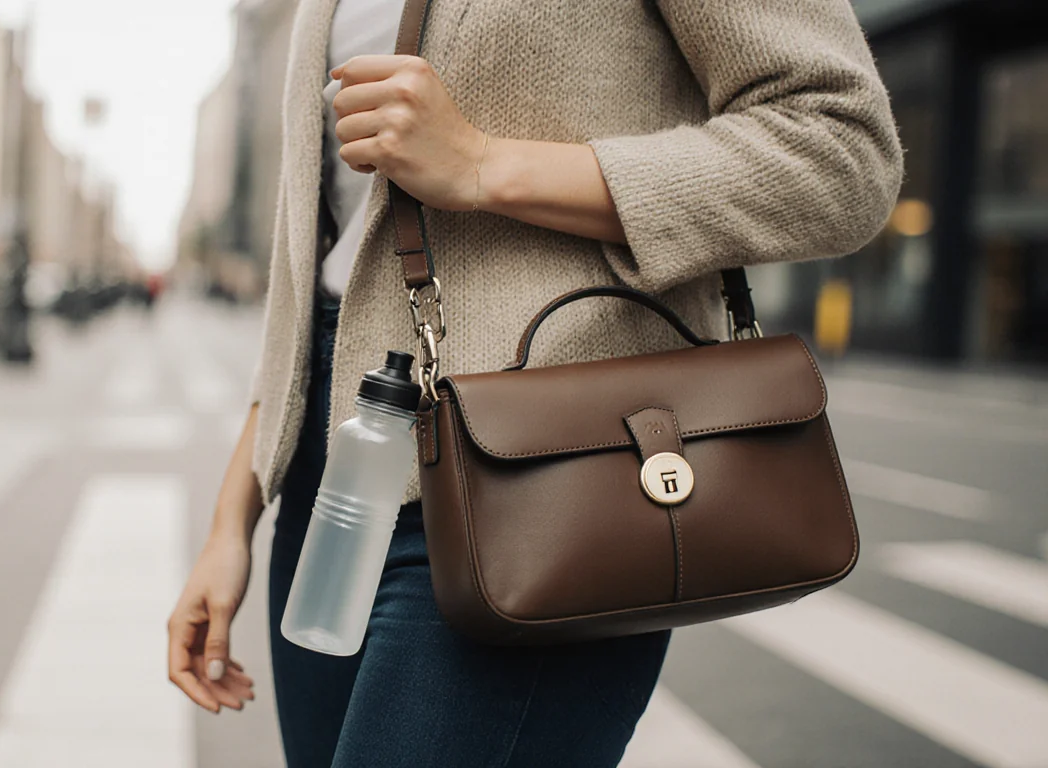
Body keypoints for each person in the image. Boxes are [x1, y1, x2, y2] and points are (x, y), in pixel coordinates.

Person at [169, 0, 903, 765]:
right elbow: (317, 270)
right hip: (336, 484)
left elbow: (844, 151)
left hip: (544, 479)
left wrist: (485, 165)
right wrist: (233, 520)